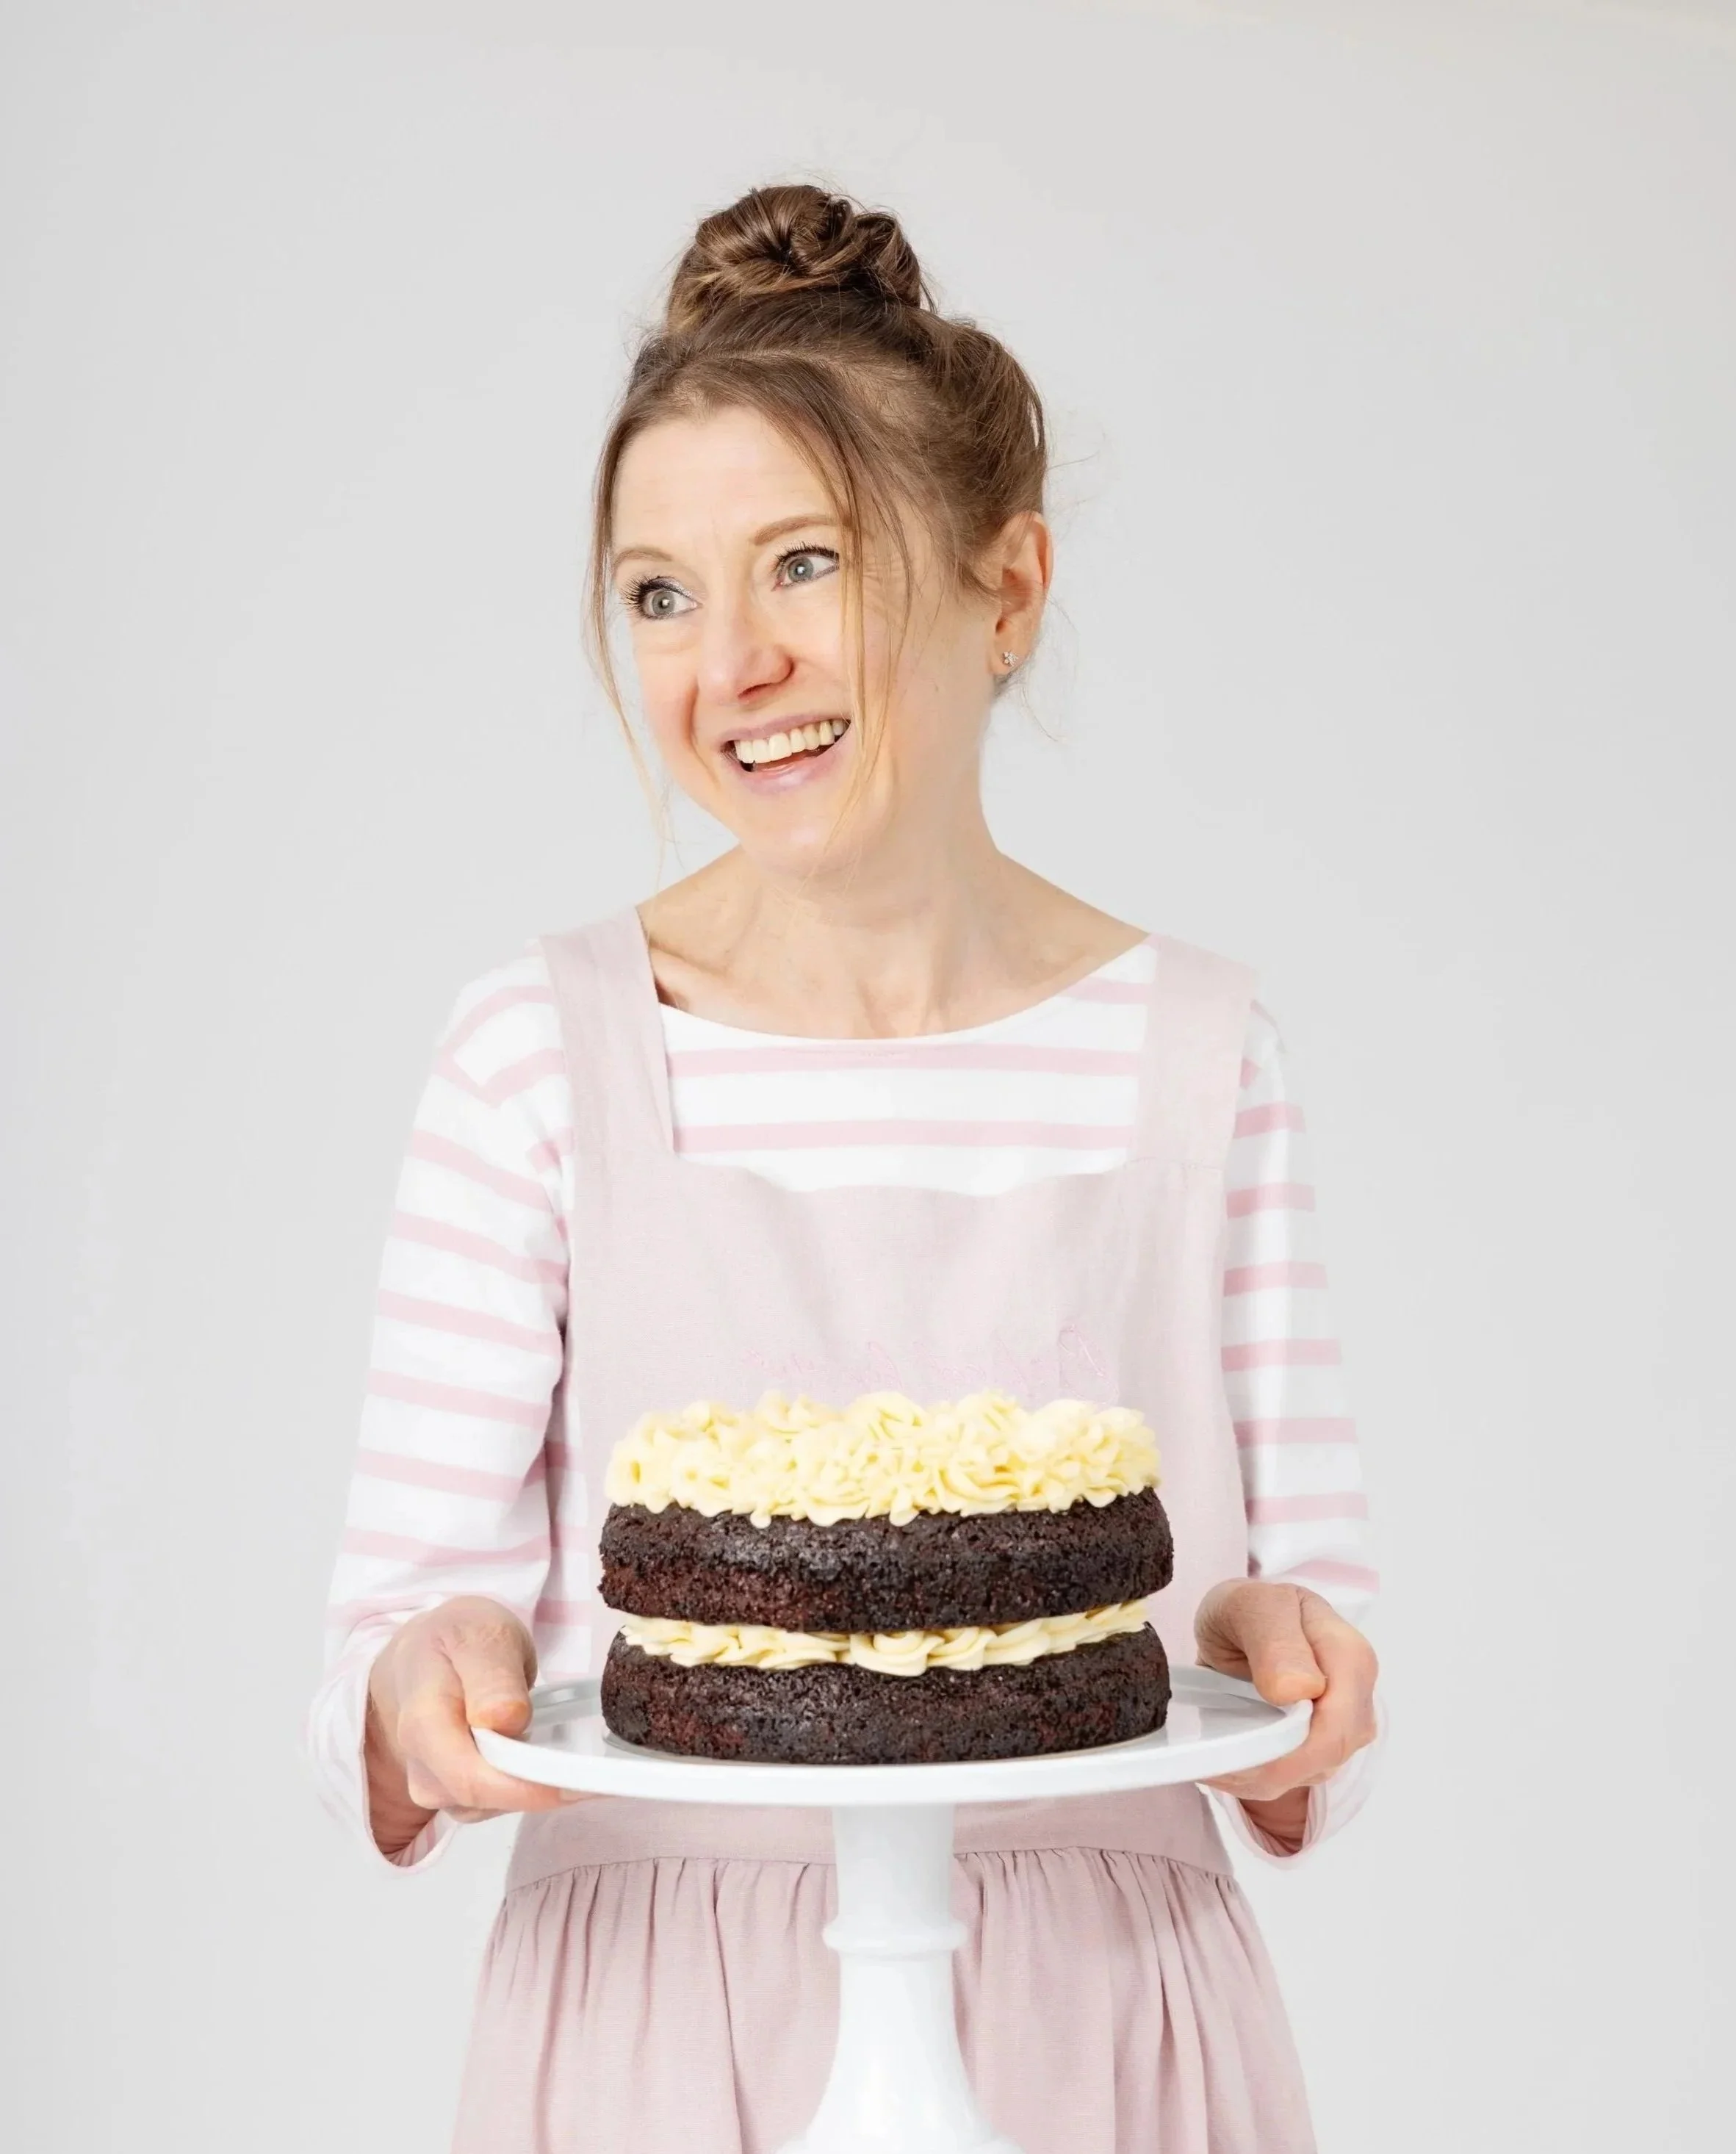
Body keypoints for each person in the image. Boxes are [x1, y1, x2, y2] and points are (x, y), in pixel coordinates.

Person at [306, 182, 1382, 2154]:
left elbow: (1298, 1669)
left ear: (1005, 581)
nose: (732, 666)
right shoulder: (536, 1052)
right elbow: (395, 1642)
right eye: (659, 593)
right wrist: (423, 1666)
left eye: (802, 563)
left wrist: (1280, 1645)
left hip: (1101, 2012)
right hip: (654, 2020)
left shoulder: (1201, 1056)